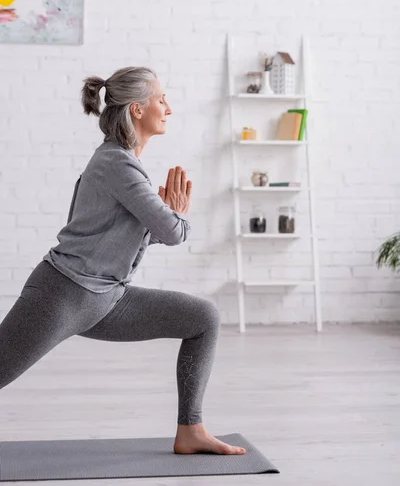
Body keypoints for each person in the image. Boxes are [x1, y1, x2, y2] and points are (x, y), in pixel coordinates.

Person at [0, 66, 246, 456]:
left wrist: (166, 215)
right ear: (136, 109)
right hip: (62, 296)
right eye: (161, 99)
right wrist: (176, 212)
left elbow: (139, 231)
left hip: (108, 299)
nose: (169, 107)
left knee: (203, 318)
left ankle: (191, 430)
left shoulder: (121, 163)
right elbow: (173, 232)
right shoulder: (117, 164)